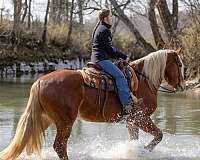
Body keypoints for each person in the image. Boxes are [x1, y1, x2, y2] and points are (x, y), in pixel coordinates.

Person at [91, 8, 139, 117]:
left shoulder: (98, 28)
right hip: (101, 60)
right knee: (120, 76)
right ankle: (127, 106)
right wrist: (124, 56)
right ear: (105, 18)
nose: (112, 18)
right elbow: (111, 50)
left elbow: (108, 50)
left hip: (96, 58)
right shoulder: (104, 30)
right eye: (110, 16)